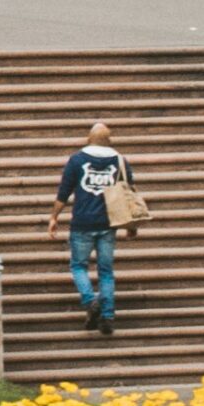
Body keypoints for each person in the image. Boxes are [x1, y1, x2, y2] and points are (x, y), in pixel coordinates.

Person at [47, 121, 134, 337]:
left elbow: (64, 192)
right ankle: (107, 316)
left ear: (88, 138)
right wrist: (132, 224)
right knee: (106, 271)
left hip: (82, 223)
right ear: (109, 140)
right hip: (108, 224)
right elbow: (129, 194)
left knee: (78, 266)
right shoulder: (120, 161)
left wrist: (54, 217)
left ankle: (90, 300)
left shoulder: (77, 160)